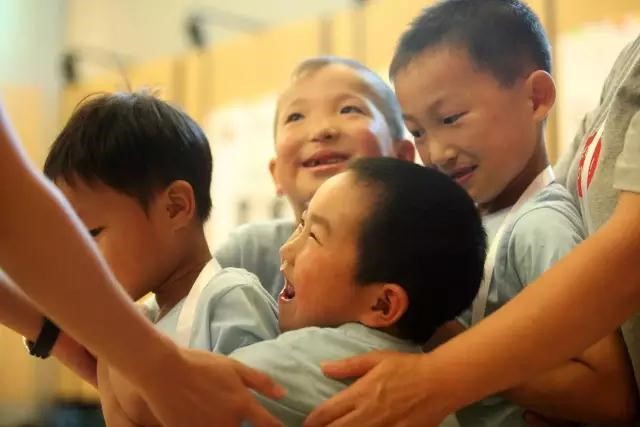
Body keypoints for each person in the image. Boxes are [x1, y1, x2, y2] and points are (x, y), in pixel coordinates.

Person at [304, 12, 640, 427]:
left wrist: (448, 345)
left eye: (451, 119)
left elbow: (608, 395)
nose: (437, 153)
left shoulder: (540, 226)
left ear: (535, 99)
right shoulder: (480, 221)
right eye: (418, 132)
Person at [98, 157, 487, 426]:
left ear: (383, 304)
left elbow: (154, 394)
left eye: (313, 236)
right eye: (300, 225)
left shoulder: (329, 358)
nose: (287, 250)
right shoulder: (405, 365)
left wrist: (108, 325)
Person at [0, 101, 283, 427]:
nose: (77, 258)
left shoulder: (229, 300)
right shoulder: (143, 319)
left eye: (91, 234)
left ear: (175, 208)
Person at [215, 56, 414, 300]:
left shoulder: (428, 249)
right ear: (276, 174)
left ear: (402, 157)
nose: (321, 130)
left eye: (349, 109)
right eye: (295, 117)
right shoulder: (247, 255)